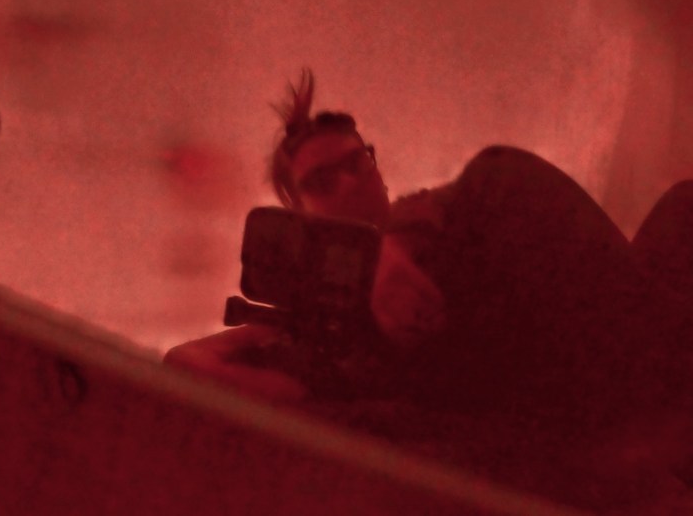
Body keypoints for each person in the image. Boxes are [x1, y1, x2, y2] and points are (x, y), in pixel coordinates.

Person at [164, 69, 693, 511]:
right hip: (541, 394)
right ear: (299, 214)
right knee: (499, 177)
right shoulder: (313, 327)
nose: (349, 182)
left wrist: (393, 246)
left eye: (356, 163)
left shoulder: (438, 216)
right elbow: (208, 373)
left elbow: (443, 204)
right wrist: (209, 351)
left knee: (682, 209)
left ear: (378, 170)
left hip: (581, 346)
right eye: (322, 182)